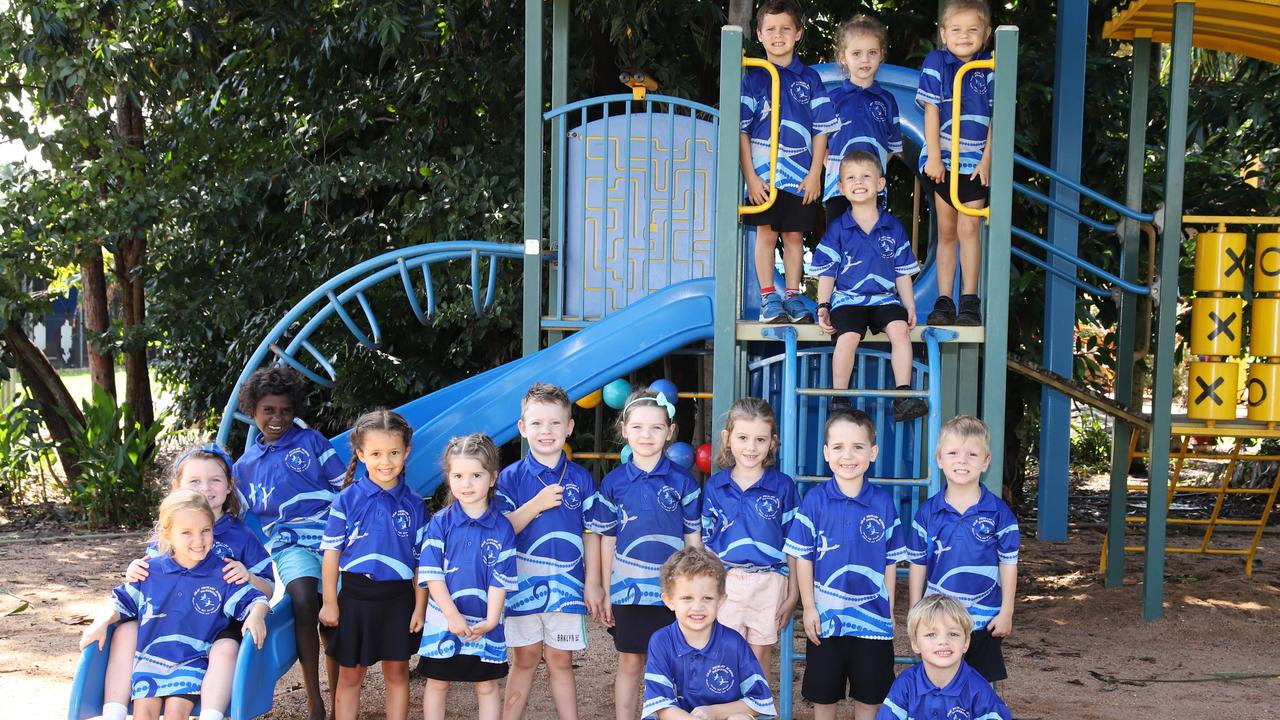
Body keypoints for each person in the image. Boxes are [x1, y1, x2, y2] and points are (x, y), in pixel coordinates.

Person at [95, 445, 274, 720]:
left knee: (223, 649)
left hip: (219, 623)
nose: (205, 488)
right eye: (195, 481)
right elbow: (150, 580)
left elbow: (266, 591)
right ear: (177, 487)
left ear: (229, 486)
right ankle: (114, 711)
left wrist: (248, 577)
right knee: (126, 632)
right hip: (168, 627)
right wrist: (133, 570)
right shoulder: (165, 540)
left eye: (215, 480)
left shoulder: (238, 540)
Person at [234, 366, 347, 720]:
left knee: (333, 616)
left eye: (285, 410)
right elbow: (230, 512)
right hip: (289, 542)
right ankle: (315, 700)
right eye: (268, 410)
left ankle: (339, 695)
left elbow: (345, 486)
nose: (277, 418)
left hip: (331, 538)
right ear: (253, 412)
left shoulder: (312, 441)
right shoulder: (244, 466)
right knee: (301, 599)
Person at [586, 388, 702, 720]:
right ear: (624, 429)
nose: (646, 435)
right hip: (629, 591)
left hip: (674, 594)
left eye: (655, 427)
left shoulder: (684, 482)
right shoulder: (613, 483)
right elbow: (606, 539)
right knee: (631, 660)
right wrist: (607, 590)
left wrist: (695, 592)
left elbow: (692, 540)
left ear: (670, 432)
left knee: (672, 664)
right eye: (637, 427)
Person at [784, 408, 905, 720]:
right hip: (826, 619)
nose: (848, 456)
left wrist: (889, 607)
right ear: (826, 453)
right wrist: (809, 607)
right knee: (824, 696)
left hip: (873, 622)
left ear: (873, 452)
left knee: (870, 697)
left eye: (858, 447)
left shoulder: (883, 502)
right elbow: (803, 557)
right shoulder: (814, 500)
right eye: (838, 447)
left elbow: (890, 561)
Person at [497, 383, 602, 720]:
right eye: (538, 423)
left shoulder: (582, 478)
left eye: (556, 423)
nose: (547, 431)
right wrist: (536, 504)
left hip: (568, 587)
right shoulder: (509, 479)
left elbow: (592, 534)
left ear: (569, 427)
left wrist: (593, 582)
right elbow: (501, 530)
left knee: (561, 659)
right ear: (522, 428)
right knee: (525, 657)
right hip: (522, 587)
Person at [319, 409, 429, 720]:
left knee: (397, 674)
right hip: (355, 599)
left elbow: (422, 562)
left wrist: (420, 607)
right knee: (351, 677)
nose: (386, 461)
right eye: (377, 453)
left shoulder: (416, 504)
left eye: (394, 452)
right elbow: (331, 554)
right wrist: (330, 602)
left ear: (406, 452)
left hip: (399, 601)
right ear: (360, 454)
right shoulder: (346, 500)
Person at [740, 0, 838, 323]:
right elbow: (740, 131)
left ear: (798, 33)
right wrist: (751, 178)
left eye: (785, 29)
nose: (778, 35)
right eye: (770, 29)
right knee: (766, 234)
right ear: (759, 34)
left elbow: (822, 130)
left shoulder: (809, 79)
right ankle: (770, 298)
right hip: (764, 176)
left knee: (795, 236)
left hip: (798, 175)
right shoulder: (752, 77)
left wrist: (815, 176)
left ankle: (794, 296)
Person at [814, 150, 926, 423]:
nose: (859, 181)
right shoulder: (839, 228)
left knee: (900, 331)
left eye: (866, 176)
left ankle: (903, 397)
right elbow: (827, 272)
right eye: (851, 177)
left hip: (884, 299)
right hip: (848, 300)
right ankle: (839, 399)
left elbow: (901, 272)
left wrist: (909, 305)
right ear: (840, 188)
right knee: (848, 336)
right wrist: (823, 305)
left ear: (880, 183)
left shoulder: (893, 227)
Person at [907, 415, 1018, 684]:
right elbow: (918, 564)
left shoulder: (999, 514)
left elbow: (1008, 564)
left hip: (984, 620)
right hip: (938, 621)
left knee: (980, 689)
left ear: (986, 461)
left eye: (972, 454)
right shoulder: (927, 513)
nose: (962, 461)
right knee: (938, 685)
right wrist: (915, 611)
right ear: (939, 458)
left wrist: (1006, 612)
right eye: (953, 453)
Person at [417, 434, 517, 720]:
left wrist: (491, 620)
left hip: (486, 622)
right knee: (437, 684)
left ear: (493, 477)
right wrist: (451, 616)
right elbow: (432, 574)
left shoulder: (503, 528)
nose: (467, 483)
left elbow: (501, 578)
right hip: (443, 620)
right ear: (448, 477)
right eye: (458, 475)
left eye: (476, 475)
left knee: (486, 687)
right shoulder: (439, 522)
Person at [699, 397, 798, 673]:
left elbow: (794, 544)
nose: (751, 447)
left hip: (770, 580)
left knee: (759, 655)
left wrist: (793, 593)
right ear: (727, 438)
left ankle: (757, 713)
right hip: (726, 580)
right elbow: (706, 544)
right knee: (724, 652)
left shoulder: (783, 487)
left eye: (760, 440)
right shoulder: (716, 487)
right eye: (743, 437)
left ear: (772, 442)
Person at [917, 0, 994, 326]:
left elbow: (998, 118)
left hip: (975, 160)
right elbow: (932, 109)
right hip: (944, 159)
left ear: (987, 34)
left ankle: (969, 301)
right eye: (956, 30)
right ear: (944, 33)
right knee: (946, 231)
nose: (964, 36)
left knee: (969, 228)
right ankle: (944, 300)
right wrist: (934, 156)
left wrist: (988, 160)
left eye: (973, 30)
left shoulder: (990, 66)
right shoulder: (937, 61)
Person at [641, 546, 777, 720]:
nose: (698, 607)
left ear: (720, 600)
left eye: (707, 598)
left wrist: (713, 712)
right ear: (669, 601)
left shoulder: (733, 643)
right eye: (687, 598)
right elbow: (661, 706)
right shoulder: (661, 642)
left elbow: (760, 702)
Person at [876, 594, 1011, 720]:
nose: (943, 641)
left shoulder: (978, 690)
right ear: (915, 644)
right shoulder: (906, 684)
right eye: (931, 634)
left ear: (966, 642)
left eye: (953, 634)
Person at [823, 15, 902, 223]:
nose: (865, 60)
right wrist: (832, 167)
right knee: (839, 242)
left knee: (868, 244)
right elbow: (820, 141)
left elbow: (892, 147)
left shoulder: (887, 101)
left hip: (872, 190)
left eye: (872, 53)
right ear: (843, 57)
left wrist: (872, 172)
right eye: (857, 53)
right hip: (837, 188)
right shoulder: (833, 99)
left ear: (881, 56)